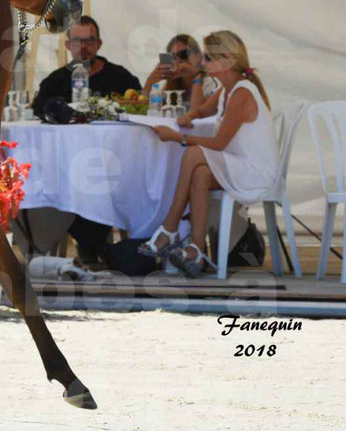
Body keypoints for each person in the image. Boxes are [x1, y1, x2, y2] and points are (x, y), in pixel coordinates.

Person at [139, 30, 277, 276]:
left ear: (227, 60)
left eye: (208, 58)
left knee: (193, 154)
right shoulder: (228, 89)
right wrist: (189, 116)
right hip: (238, 164)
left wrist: (177, 136)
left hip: (255, 172)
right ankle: (195, 249)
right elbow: (201, 111)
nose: (202, 62)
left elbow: (219, 143)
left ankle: (170, 228)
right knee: (200, 172)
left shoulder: (242, 92)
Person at [32, 16, 142, 264]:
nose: (83, 47)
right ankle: (90, 245)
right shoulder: (56, 80)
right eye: (77, 41)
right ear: (68, 45)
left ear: (99, 44)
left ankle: (97, 246)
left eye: (88, 41)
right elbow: (37, 108)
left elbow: (139, 106)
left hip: (115, 164)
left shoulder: (119, 77)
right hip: (68, 166)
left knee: (100, 179)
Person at [141, 34, 220, 120]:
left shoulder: (210, 83)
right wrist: (149, 83)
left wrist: (196, 74)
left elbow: (197, 116)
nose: (178, 60)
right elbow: (145, 111)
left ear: (198, 56)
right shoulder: (171, 85)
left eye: (183, 54)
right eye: (173, 57)